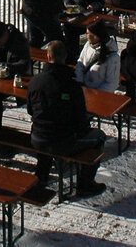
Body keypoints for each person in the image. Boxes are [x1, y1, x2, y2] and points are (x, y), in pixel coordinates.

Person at [26, 41, 107, 198]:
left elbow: (30, 110)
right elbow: (80, 118)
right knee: (99, 136)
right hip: (62, 141)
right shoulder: (71, 85)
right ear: (65, 58)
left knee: (47, 132)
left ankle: (41, 175)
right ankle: (85, 183)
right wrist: (83, 131)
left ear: (48, 57)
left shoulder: (35, 81)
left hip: (37, 137)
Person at [74, 21, 120, 93]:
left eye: (88, 34)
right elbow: (80, 63)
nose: (87, 36)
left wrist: (96, 93)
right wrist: (79, 81)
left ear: (96, 36)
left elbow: (112, 83)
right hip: (83, 88)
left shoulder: (113, 58)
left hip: (98, 94)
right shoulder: (88, 45)